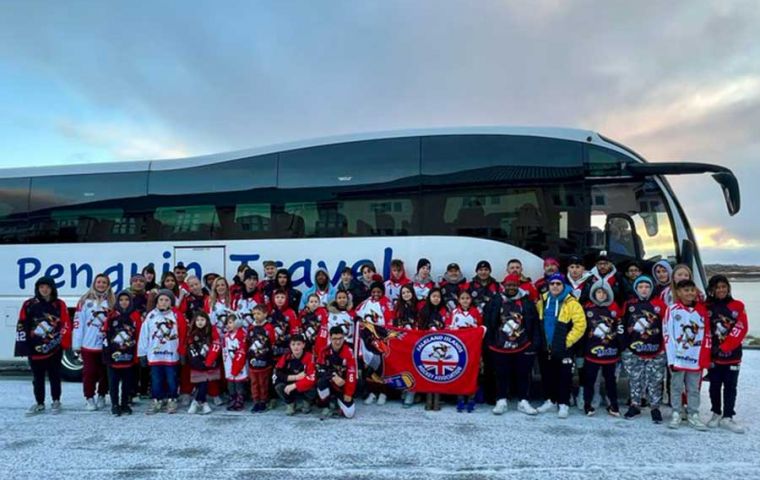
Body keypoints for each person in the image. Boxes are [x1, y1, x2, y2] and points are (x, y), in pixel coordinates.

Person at [15, 277, 72, 415]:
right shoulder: (28, 304)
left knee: (55, 376)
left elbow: (65, 323)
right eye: (41, 287)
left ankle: (56, 400)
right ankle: (39, 402)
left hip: (54, 347)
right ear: (37, 289)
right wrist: (22, 346)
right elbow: (22, 325)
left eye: (47, 287)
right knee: (37, 377)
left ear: (52, 288)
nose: (44, 290)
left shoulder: (59, 304)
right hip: (34, 348)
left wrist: (62, 341)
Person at [487, 274, 540, 416]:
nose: (511, 288)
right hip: (500, 345)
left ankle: (523, 401)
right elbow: (489, 320)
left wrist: (534, 343)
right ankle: (501, 400)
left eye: (514, 285)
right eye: (508, 285)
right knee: (501, 374)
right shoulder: (496, 300)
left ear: (518, 286)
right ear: (504, 285)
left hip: (522, 344)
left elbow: (534, 322)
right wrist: (490, 340)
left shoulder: (526, 302)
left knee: (523, 374)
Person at [536, 273, 586, 418]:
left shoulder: (572, 303)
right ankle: (550, 401)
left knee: (564, 376)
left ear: (563, 285)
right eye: (552, 284)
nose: (555, 286)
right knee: (547, 375)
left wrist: (566, 342)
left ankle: (563, 404)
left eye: (558, 284)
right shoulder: (542, 302)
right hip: (547, 347)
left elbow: (580, 325)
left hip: (564, 347)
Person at [664, 279, 711, 430]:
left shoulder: (702, 310)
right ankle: (677, 412)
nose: (690, 293)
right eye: (686, 290)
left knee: (693, 388)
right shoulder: (672, 310)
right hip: (678, 357)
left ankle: (693, 414)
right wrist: (671, 359)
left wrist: (704, 357)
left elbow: (707, 335)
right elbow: (668, 335)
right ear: (678, 292)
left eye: (692, 290)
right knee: (676, 387)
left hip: (695, 357)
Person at [621, 275, 667, 423]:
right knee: (635, 379)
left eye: (647, 286)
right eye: (640, 287)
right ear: (636, 289)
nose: (644, 289)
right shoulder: (629, 305)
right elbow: (622, 324)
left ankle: (655, 407)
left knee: (655, 380)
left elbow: (666, 326)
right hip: (634, 350)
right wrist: (625, 346)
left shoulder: (659, 305)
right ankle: (635, 404)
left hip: (655, 350)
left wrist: (663, 348)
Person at [706, 275, 748, 433]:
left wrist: (725, 347)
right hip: (714, 356)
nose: (721, 290)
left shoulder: (737, 305)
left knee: (731, 387)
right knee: (714, 386)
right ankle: (716, 413)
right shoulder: (707, 306)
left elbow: (742, 327)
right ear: (712, 290)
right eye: (717, 287)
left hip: (733, 355)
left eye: (724, 286)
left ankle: (728, 416)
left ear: (728, 288)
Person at [138, 289, 187, 414]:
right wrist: (142, 353)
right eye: (161, 300)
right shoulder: (151, 316)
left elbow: (183, 335)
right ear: (157, 302)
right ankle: (157, 399)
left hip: (171, 354)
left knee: (172, 378)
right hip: (155, 355)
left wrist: (182, 351)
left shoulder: (176, 315)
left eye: (166, 300)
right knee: (156, 379)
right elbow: (144, 335)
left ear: (171, 303)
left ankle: (172, 398)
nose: (163, 302)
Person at [73, 273, 115, 411]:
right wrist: (77, 344)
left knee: (105, 373)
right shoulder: (85, 301)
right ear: (94, 284)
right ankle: (89, 397)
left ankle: (102, 394)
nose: (101, 285)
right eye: (99, 282)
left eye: (104, 282)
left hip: (106, 345)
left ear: (108, 285)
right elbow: (78, 324)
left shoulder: (112, 302)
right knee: (89, 372)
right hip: (89, 345)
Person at [581, 280, 622, 417]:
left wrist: (619, 345)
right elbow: (582, 328)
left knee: (610, 380)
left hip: (610, 353)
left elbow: (620, 328)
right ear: (593, 293)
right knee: (590, 380)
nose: (601, 294)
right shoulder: (588, 308)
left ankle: (613, 404)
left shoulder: (614, 308)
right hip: (591, 352)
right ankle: (588, 403)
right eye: (598, 292)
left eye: (604, 292)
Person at [102, 290, 141, 416]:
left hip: (128, 355)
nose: (124, 302)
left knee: (127, 382)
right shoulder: (111, 316)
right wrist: (106, 353)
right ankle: (114, 404)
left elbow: (139, 335)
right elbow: (105, 334)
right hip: (113, 356)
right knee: (113, 382)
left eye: (127, 300)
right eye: (121, 300)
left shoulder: (135, 316)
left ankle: (125, 404)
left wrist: (137, 354)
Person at [356, 281, 394, 406]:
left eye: (378, 291)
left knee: (382, 368)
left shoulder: (386, 303)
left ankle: (383, 393)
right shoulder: (365, 302)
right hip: (367, 339)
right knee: (369, 366)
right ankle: (372, 392)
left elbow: (390, 322)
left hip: (381, 339)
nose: (376, 294)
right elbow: (357, 315)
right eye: (374, 292)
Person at [447, 290, 482, 413]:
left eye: (467, 298)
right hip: (459, 348)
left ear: (471, 300)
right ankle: (460, 398)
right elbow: (450, 328)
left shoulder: (475, 312)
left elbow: (480, 328)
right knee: (460, 372)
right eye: (462, 298)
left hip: (472, 347)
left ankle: (471, 398)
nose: (465, 300)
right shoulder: (455, 312)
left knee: (472, 372)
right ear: (459, 300)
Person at [418, 288, 450, 411]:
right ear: (429, 297)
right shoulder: (424, 311)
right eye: (433, 296)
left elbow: (448, 326)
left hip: (441, 345)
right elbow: (419, 328)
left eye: (438, 296)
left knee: (439, 373)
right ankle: (428, 397)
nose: (436, 298)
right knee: (427, 371)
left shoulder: (444, 311)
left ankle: (437, 397)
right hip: (427, 346)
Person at [316, 326, 358, 419]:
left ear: (344, 338)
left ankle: (337, 401)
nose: (338, 342)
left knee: (349, 414)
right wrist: (333, 376)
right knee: (320, 383)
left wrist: (348, 393)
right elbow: (319, 370)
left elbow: (352, 375)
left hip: (342, 386)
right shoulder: (324, 351)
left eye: (340, 338)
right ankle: (326, 404)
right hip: (329, 382)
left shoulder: (349, 352)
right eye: (334, 339)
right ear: (330, 338)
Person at [186, 311, 221, 415]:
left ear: (207, 321)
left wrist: (209, 361)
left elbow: (216, 346)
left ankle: (196, 402)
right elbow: (191, 348)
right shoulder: (192, 333)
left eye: (202, 320)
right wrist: (198, 362)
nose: (200, 322)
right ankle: (203, 402)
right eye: (197, 320)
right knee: (201, 382)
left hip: (210, 362)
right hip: (197, 363)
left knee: (206, 381)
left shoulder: (212, 332)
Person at [274, 334, 317, 415]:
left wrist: (295, 385)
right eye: (293, 344)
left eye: (298, 344)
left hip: (303, 384)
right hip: (291, 383)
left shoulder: (310, 357)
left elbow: (312, 378)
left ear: (303, 345)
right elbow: (277, 372)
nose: (296, 347)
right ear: (290, 345)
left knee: (313, 386)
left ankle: (307, 401)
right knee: (278, 385)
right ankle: (290, 403)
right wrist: (295, 377)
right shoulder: (286, 356)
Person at [246, 305, 276, 413]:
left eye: (258, 313)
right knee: (254, 382)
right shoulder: (251, 327)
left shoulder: (269, 327)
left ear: (265, 314)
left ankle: (263, 401)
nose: (256, 316)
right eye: (254, 314)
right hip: (253, 360)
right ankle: (256, 401)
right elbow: (247, 342)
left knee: (263, 382)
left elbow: (272, 342)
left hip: (265, 360)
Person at [222, 312, 248, 412]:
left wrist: (237, 365)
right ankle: (232, 397)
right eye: (227, 323)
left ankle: (240, 399)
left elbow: (242, 350)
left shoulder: (242, 335)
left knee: (239, 382)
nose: (228, 325)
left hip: (239, 363)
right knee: (230, 382)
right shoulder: (226, 336)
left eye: (230, 322)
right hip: (228, 363)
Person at [270, 289, 300, 359]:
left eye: (282, 297)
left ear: (286, 299)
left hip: (287, 347)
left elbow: (295, 331)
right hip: (273, 348)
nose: (279, 299)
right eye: (277, 297)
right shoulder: (272, 312)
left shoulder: (291, 312)